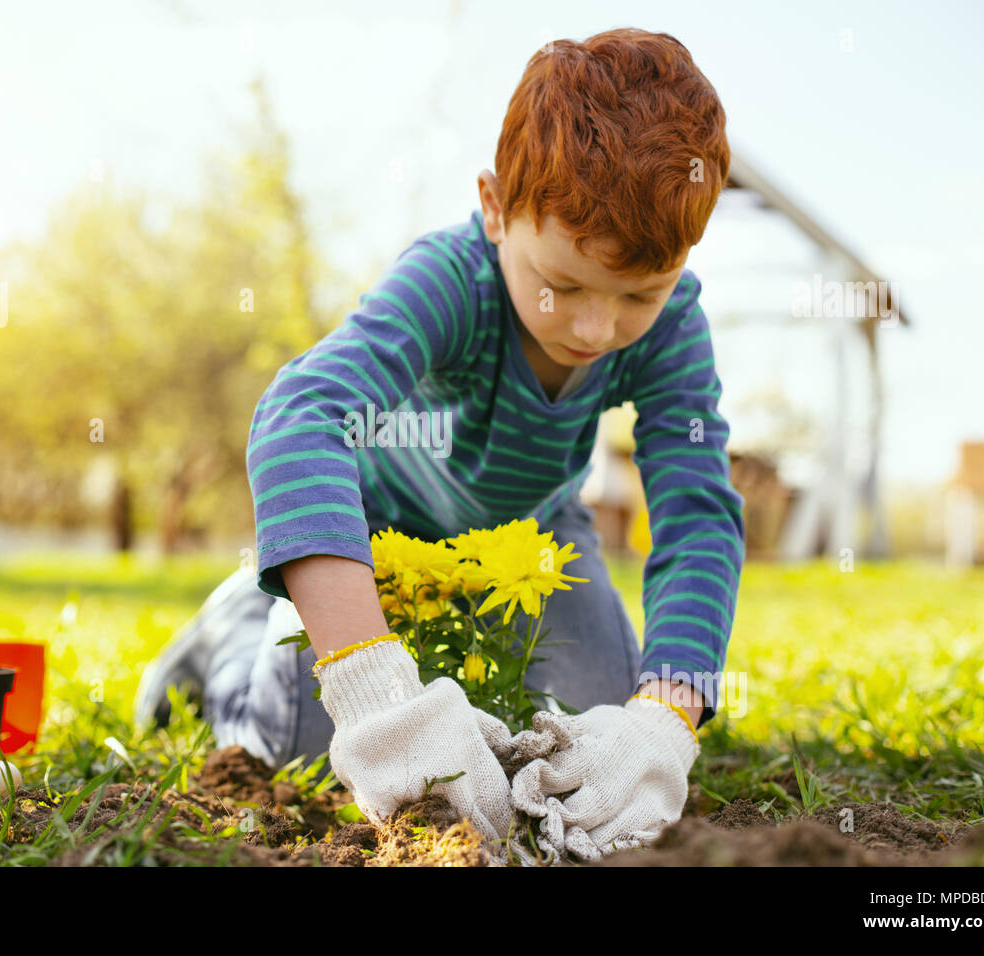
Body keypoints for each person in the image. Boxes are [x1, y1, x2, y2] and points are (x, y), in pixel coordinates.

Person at [136, 26, 744, 864]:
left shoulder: (673, 325)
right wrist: (375, 693)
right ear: (497, 210)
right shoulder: (451, 283)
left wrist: (664, 724)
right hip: (377, 529)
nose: (597, 329)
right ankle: (235, 628)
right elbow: (300, 416)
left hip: (528, 536)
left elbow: (699, 515)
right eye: (561, 285)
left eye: (637, 294)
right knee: (306, 737)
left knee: (599, 704)